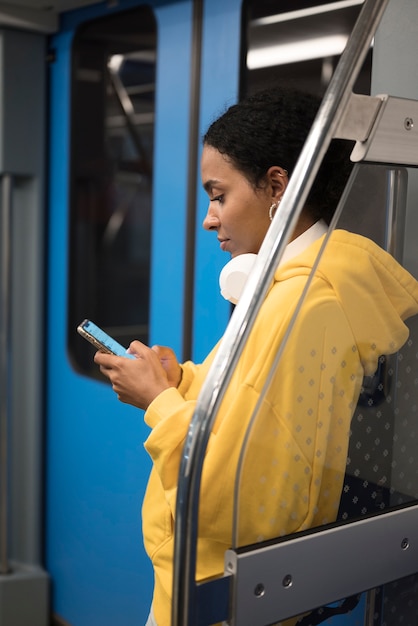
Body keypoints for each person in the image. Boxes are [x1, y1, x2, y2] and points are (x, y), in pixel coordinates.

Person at [94, 87, 418, 626]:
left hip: (217, 595)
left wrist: (157, 402)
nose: (209, 218)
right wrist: (185, 382)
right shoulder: (314, 287)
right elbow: (258, 412)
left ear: (276, 187)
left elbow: (229, 495)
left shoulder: (298, 307)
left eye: (218, 195)